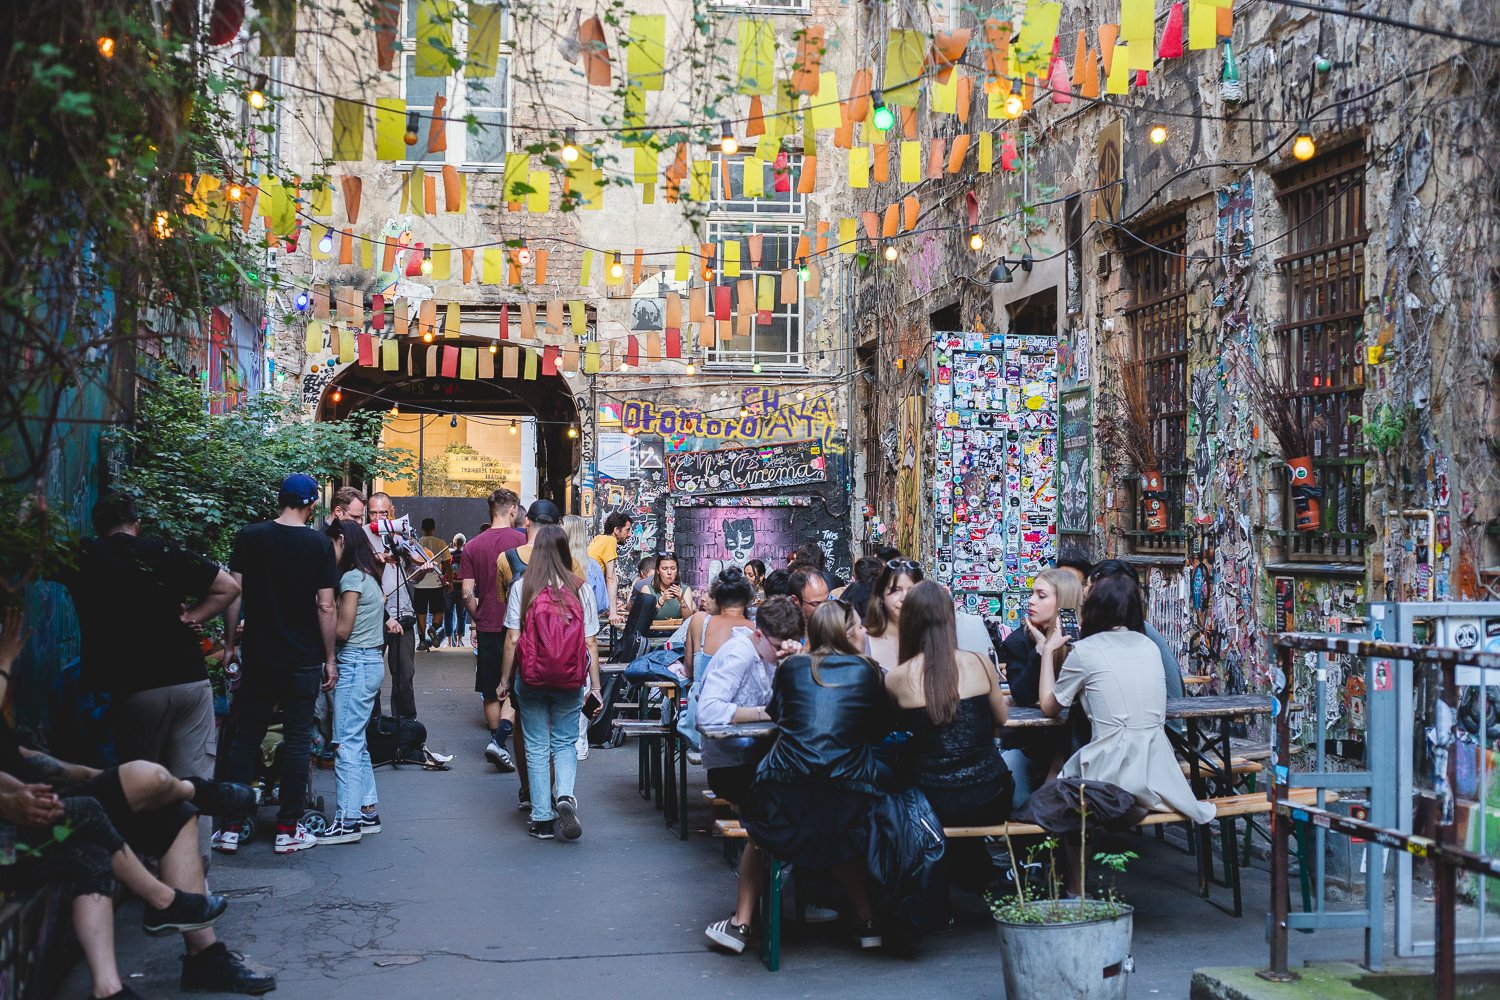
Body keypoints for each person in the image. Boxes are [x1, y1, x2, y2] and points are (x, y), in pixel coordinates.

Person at [0, 609, 275, 996]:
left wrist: (77, 778)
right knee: (138, 786)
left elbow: (22, 760)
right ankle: (166, 887)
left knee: (171, 813)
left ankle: (186, 964)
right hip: (25, 830)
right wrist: (5, 664)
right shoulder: (62, 679)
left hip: (41, 805)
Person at [62, 494, 240, 860]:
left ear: (97, 527)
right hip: (189, 680)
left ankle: (149, 871)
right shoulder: (161, 552)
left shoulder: (85, 558)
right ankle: (195, 882)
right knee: (194, 784)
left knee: (143, 787)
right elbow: (229, 587)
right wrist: (193, 616)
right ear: (136, 523)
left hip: (135, 689)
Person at [726, 601, 889, 953]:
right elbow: (878, 730)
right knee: (841, 839)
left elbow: (777, 716)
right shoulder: (870, 672)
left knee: (758, 836)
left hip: (784, 791)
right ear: (846, 634)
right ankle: (868, 921)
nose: (864, 633)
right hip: (850, 795)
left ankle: (740, 924)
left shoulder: (793, 668)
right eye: (859, 627)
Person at [218, 474, 338, 856]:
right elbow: (325, 604)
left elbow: (233, 591)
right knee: (299, 737)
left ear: (280, 499)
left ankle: (231, 827)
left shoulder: (250, 536)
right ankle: (288, 828)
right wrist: (330, 657)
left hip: (260, 654)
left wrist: (229, 643)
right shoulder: (319, 544)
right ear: (312, 503)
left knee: (246, 736)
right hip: (302, 658)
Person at [1037, 573, 1216, 826]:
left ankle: (1053, 861)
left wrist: (1047, 651)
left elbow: (1048, 707)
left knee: (1059, 783)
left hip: (1111, 767)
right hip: (1159, 768)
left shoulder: (1085, 651)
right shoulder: (1148, 646)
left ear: (1092, 609)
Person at [884, 581, 1012, 894]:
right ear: (949, 618)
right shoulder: (980, 663)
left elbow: (892, 729)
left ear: (909, 622)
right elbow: (1002, 720)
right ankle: (974, 872)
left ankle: (951, 877)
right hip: (991, 794)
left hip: (932, 800)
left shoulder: (897, 679)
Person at [696, 597, 805, 954]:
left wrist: (794, 669)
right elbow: (708, 714)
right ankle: (751, 915)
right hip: (732, 766)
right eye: (776, 647)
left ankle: (796, 897)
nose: (781, 653)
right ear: (758, 635)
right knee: (778, 811)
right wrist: (761, 712)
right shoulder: (738, 654)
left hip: (767, 761)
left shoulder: (786, 656)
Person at [497, 524, 601, 840]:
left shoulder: (523, 587)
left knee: (536, 744)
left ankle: (542, 817)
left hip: (531, 679)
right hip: (570, 679)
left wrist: (504, 680)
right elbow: (591, 642)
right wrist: (594, 686)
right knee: (565, 741)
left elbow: (513, 638)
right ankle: (565, 795)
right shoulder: (580, 588)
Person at [316, 521, 391, 845]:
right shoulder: (371, 577)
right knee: (356, 740)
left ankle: (347, 821)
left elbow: (343, 630)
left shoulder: (351, 578)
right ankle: (367, 810)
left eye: (330, 545)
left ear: (342, 540)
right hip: (371, 661)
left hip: (354, 663)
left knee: (344, 743)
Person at [994, 567, 1083, 809]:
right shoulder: (1017, 642)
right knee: (1018, 800)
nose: (1031, 601)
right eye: (1032, 594)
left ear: (1062, 602)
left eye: (1041, 595)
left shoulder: (1084, 643)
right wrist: (1041, 649)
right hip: (1027, 744)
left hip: (1074, 745)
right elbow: (1022, 695)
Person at [460, 488, 525, 773]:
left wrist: (480, 614)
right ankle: (505, 743)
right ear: (513, 510)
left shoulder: (473, 546)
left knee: (489, 690)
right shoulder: (522, 541)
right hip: (519, 627)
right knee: (515, 684)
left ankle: (496, 740)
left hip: (488, 626)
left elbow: (466, 593)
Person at [1076, 558, 1186, 701]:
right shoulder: (1130, 628)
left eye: (1089, 586)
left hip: (1168, 717)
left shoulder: (1135, 633)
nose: (1084, 592)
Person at [366, 493, 421, 719]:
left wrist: (422, 571)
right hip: (374, 617)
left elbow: (410, 579)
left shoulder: (401, 537)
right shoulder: (362, 537)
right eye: (373, 513)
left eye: (383, 513)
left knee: (405, 677)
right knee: (371, 679)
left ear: (392, 512)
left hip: (403, 614)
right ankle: (374, 728)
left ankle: (406, 729)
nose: (378, 518)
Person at [564, 514, 608, 762]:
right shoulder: (591, 566)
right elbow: (601, 604)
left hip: (555, 639)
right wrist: (597, 685)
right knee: (582, 688)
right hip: (582, 640)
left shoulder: (552, 565)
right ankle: (579, 738)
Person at [863, 559, 923, 673]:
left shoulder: (930, 639)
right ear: (881, 595)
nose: (904, 598)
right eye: (896, 590)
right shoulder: (863, 641)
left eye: (912, 590)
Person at [588, 512, 634, 622]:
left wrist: (610, 603)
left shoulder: (599, 538)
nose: (629, 534)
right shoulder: (610, 541)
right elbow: (611, 578)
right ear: (616, 530)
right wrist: (613, 613)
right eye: (627, 530)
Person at [413, 517, 450, 651]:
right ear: (434, 528)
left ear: (422, 528)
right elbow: (447, 564)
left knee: (420, 613)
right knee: (439, 611)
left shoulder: (417, 544)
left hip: (420, 584)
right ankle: (433, 628)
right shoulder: (440, 543)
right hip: (436, 584)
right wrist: (450, 581)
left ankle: (422, 641)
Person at [644, 552, 696, 622]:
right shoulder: (647, 590)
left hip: (677, 632)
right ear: (657, 570)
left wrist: (682, 601)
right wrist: (661, 600)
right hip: (653, 632)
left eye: (673, 568)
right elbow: (644, 619)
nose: (669, 572)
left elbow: (688, 621)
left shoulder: (685, 590)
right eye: (664, 568)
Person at [445, 532, 468, 647]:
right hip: (462, 588)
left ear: (454, 543)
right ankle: (459, 642)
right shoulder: (467, 555)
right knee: (461, 616)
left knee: (448, 615)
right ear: (465, 544)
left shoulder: (448, 555)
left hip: (450, 587)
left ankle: (449, 643)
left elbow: (443, 571)